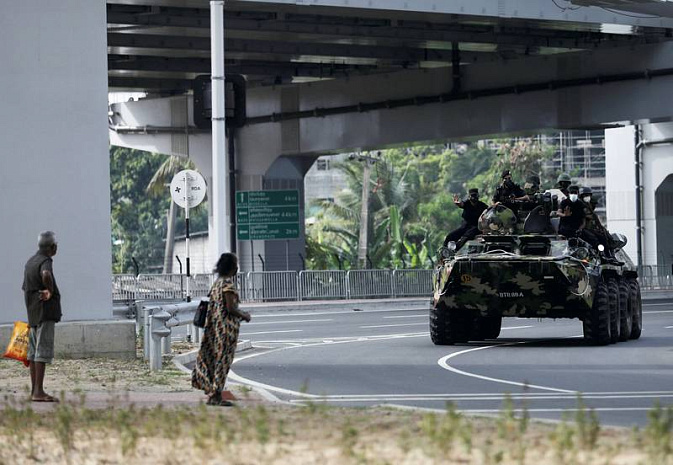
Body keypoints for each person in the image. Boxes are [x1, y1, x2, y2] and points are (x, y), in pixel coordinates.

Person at [192, 253, 251, 406]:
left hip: (213, 328)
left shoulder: (217, 283)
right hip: (225, 331)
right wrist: (244, 315)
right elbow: (230, 308)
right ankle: (216, 395)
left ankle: (210, 389)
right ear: (232, 267)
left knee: (211, 359)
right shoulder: (228, 285)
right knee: (223, 361)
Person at [22, 231, 62, 402]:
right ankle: (38, 391)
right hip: (45, 312)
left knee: (32, 352)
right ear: (52, 247)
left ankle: (34, 391)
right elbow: (46, 274)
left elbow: (25, 288)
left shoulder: (30, 262)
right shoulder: (46, 261)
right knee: (41, 351)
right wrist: (50, 291)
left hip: (33, 312)